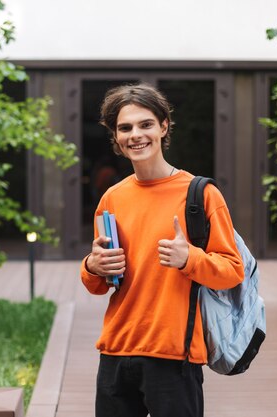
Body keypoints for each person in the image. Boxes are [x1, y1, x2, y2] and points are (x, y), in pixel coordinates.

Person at [80, 83, 244, 417]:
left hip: (173, 356)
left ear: (163, 126)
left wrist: (190, 259)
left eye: (145, 124)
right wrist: (93, 266)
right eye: (125, 128)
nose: (135, 135)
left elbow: (232, 271)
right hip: (115, 350)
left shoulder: (201, 194)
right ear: (115, 135)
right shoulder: (112, 198)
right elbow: (99, 284)